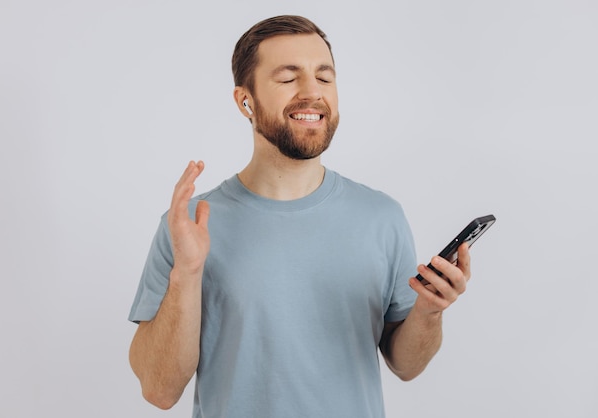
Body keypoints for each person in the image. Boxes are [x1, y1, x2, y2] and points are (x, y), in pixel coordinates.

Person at [128, 15, 472, 418]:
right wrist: (186, 273)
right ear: (245, 101)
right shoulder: (189, 223)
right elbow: (159, 389)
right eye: (289, 78)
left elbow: (406, 365)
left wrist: (429, 313)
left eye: (324, 78)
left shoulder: (382, 217)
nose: (312, 93)